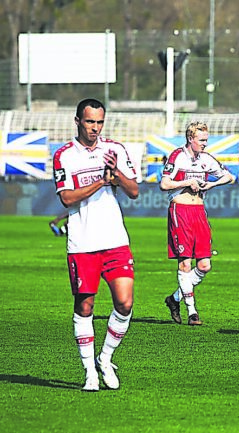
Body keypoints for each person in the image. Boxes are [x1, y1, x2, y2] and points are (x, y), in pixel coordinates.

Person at [53, 98, 139, 391]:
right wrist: (100, 183)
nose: (95, 128)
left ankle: (105, 358)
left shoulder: (114, 149)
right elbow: (66, 198)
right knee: (85, 305)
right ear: (77, 121)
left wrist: (117, 176)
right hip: (82, 243)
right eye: (90, 122)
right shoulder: (64, 155)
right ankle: (89, 371)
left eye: (100, 122)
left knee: (125, 303)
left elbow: (134, 191)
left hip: (115, 240)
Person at [161, 121, 235, 326]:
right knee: (185, 263)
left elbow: (230, 177)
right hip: (180, 212)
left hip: (199, 212)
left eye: (206, 140)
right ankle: (192, 312)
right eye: (201, 140)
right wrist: (186, 182)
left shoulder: (206, 159)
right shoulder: (177, 156)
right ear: (190, 139)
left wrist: (211, 184)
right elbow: (164, 184)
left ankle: (174, 299)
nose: (205, 144)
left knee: (204, 265)